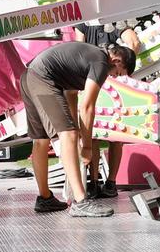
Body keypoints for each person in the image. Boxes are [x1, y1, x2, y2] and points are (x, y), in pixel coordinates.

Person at [23, 31, 137, 217]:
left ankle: (45, 198)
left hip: (28, 77)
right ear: (117, 62)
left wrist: (75, 130)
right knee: (68, 134)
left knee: (41, 140)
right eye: (117, 73)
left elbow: (72, 96)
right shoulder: (101, 62)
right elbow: (88, 107)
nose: (113, 77)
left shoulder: (85, 56)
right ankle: (81, 201)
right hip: (42, 78)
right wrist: (86, 146)